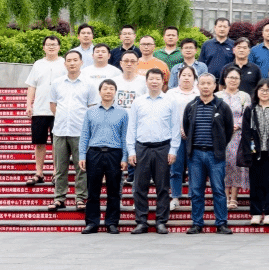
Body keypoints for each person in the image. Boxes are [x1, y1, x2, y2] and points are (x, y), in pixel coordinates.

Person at [175, 73, 235, 235]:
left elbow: (228, 130)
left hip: (215, 155)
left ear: (215, 86)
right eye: (203, 83)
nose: (206, 86)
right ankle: (197, 223)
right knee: (196, 191)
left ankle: (221, 223)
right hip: (195, 155)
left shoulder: (222, 106)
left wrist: (220, 146)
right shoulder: (191, 105)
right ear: (198, 86)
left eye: (209, 83)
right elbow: (186, 127)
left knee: (218, 190)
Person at [127, 68, 176, 234]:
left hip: (163, 148)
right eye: (151, 79)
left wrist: (173, 149)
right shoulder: (138, 102)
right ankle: (141, 221)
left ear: (163, 82)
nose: (154, 82)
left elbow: (175, 127)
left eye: (157, 79)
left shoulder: (170, 101)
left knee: (163, 187)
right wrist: (131, 150)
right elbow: (132, 127)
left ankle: (161, 221)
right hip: (142, 148)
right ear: (146, 81)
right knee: (139, 187)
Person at [49, 51, 98, 211]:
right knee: (60, 168)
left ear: (81, 62)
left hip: (80, 132)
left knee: (81, 167)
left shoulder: (89, 83)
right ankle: (59, 198)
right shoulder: (57, 83)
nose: (72, 63)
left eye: (75, 60)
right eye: (69, 60)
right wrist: (62, 118)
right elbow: (53, 105)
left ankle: (81, 198)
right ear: (65, 64)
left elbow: (92, 108)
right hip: (60, 131)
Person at [78, 78, 128, 234]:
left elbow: (124, 137)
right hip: (94, 153)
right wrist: (82, 155)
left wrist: (124, 158)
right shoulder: (90, 112)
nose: (108, 91)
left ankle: (111, 223)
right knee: (93, 190)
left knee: (114, 190)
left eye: (111, 89)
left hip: (114, 153)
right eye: (105, 88)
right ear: (99, 92)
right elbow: (85, 135)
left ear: (115, 92)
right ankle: (92, 223)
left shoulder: (122, 113)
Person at [238, 80, 269, 225]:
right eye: (262, 90)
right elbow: (245, 133)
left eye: (268, 90)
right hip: (255, 154)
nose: (264, 93)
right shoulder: (250, 110)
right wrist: (247, 154)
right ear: (257, 91)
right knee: (255, 184)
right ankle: (256, 213)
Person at [25, 35, 65, 187]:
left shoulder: (64, 63)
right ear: (43, 47)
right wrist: (29, 105)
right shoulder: (38, 64)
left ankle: (56, 173)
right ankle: (39, 173)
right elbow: (32, 86)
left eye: (54, 44)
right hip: (40, 109)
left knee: (57, 144)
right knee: (39, 143)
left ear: (59, 47)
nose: (51, 47)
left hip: (59, 111)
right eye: (48, 44)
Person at [216, 68, 251, 211]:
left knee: (235, 164)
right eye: (230, 77)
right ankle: (224, 196)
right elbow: (214, 114)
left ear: (240, 80)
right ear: (224, 79)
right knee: (223, 165)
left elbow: (247, 114)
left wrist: (237, 125)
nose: (233, 80)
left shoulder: (244, 96)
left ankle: (234, 197)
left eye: (236, 78)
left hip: (238, 135)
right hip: (220, 135)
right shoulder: (217, 96)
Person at [165, 66, 199, 210]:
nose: (186, 78)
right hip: (175, 136)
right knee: (175, 168)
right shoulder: (171, 93)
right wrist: (179, 130)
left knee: (194, 169)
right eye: (183, 75)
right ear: (178, 77)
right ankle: (175, 197)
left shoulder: (199, 93)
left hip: (195, 137)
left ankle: (193, 197)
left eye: (189, 75)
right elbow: (167, 114)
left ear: (194, 78)